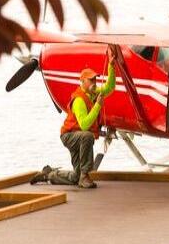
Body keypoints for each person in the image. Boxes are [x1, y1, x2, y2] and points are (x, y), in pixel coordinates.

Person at [31, 47, 117, 189]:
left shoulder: (93, 91)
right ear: (82, 82)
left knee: (74, 177)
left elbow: (110, 88)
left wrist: (111, 66)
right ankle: (85, 176)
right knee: (87, 136)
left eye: (95, 79)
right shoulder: (79, 100)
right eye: (91, 80)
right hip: (70, 136)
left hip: (78, 136)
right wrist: (98, 106)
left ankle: (48, 175)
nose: (94, 82)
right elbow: (84, 125)